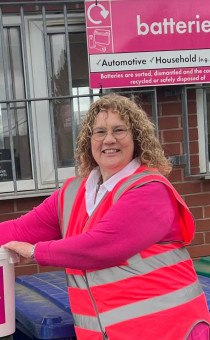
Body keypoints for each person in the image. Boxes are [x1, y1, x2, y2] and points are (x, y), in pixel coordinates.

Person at [0, 93, 209, 340]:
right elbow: (19, 229)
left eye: (119, 130)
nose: (109, 139)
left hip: (170, 330)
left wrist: (36, 252)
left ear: (137, 138)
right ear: (89, 140)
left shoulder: (150, 189)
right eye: (99, 132)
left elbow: (100, 246)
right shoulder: (72, 194)